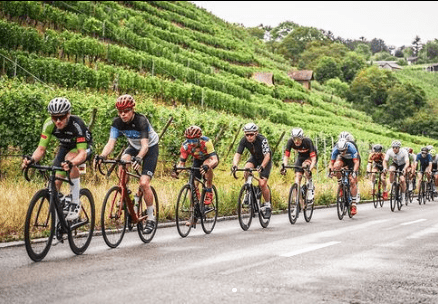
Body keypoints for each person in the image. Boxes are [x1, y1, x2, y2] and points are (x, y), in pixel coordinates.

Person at [94, 94, 159, 234]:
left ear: (132, 110)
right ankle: (126, 192)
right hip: (133, 147)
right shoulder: (117, 122)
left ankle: (151, 218)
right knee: (123, 162)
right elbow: (111, 143)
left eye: (126, 111)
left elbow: (145, 146)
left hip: (149, 148)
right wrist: (102, 156)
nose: (123, 114)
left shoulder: (141, 121)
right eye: (120, 111)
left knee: (143, 183)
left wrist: (140, 158)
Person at [21, 97, 93, 221]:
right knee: (54, 185)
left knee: (70, 159)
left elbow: (82, 154)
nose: (58, 121)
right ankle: (58, 225)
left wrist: (72, 163)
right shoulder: (49, 124)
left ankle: (75, 203)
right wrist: (31, 160)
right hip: (65, 147)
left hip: (83, 148)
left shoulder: (77, 124)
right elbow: (41, 149)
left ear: (68, 114)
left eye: (61, 117)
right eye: (54, 118)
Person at [171, 125, 219, 225]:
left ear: (199, 138)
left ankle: (209, 190)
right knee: (192, 186)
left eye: (194, 140)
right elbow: (182, 163)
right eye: (189, 140)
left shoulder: (206, 142)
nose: (192, 143)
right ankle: (194, 214)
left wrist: (208, 166)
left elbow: (215, 160)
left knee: (206, 166)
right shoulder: (185, 146)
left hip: (208, 158)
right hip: (197, 160)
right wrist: (176, 171)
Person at [232, 122, 272, 217]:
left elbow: (267, 155)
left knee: (262, 184)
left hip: (265, 160)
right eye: (247, 135)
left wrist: (262, 166)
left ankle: (267, 205)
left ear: (256, 133)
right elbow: (238, 154)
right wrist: (235, 165)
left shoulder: (262, 140)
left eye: (251, 134)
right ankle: (248, 190)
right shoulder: (244, 140)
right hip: (254, 158)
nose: (249, 137)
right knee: (247, 169)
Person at [281, 127, 318, 201]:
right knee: (297, 179)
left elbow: (313, 159)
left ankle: (310, 185)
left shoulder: (308, 141)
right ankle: (298, 204)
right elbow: (286, 156)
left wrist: (310, 169)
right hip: (301, 156)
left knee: (305, 165)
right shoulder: (290, 142)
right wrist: (284, 166)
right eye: (294, 139)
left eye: (298, 139)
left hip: (310, 156)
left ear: (302, 138)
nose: (296, 141)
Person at [329, 138, 360, 216]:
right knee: (336, 167)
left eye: (343, 150)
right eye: (340, 151)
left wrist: (354, 172)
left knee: (352, 181)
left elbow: (356, 162)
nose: (342, 152)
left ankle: (353, 204)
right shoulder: (336, 148)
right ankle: (340, 184)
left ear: (346, 147)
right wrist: (331, 171)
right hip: (342, 160)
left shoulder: (352, 148)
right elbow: (331, 163)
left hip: (352, 162)